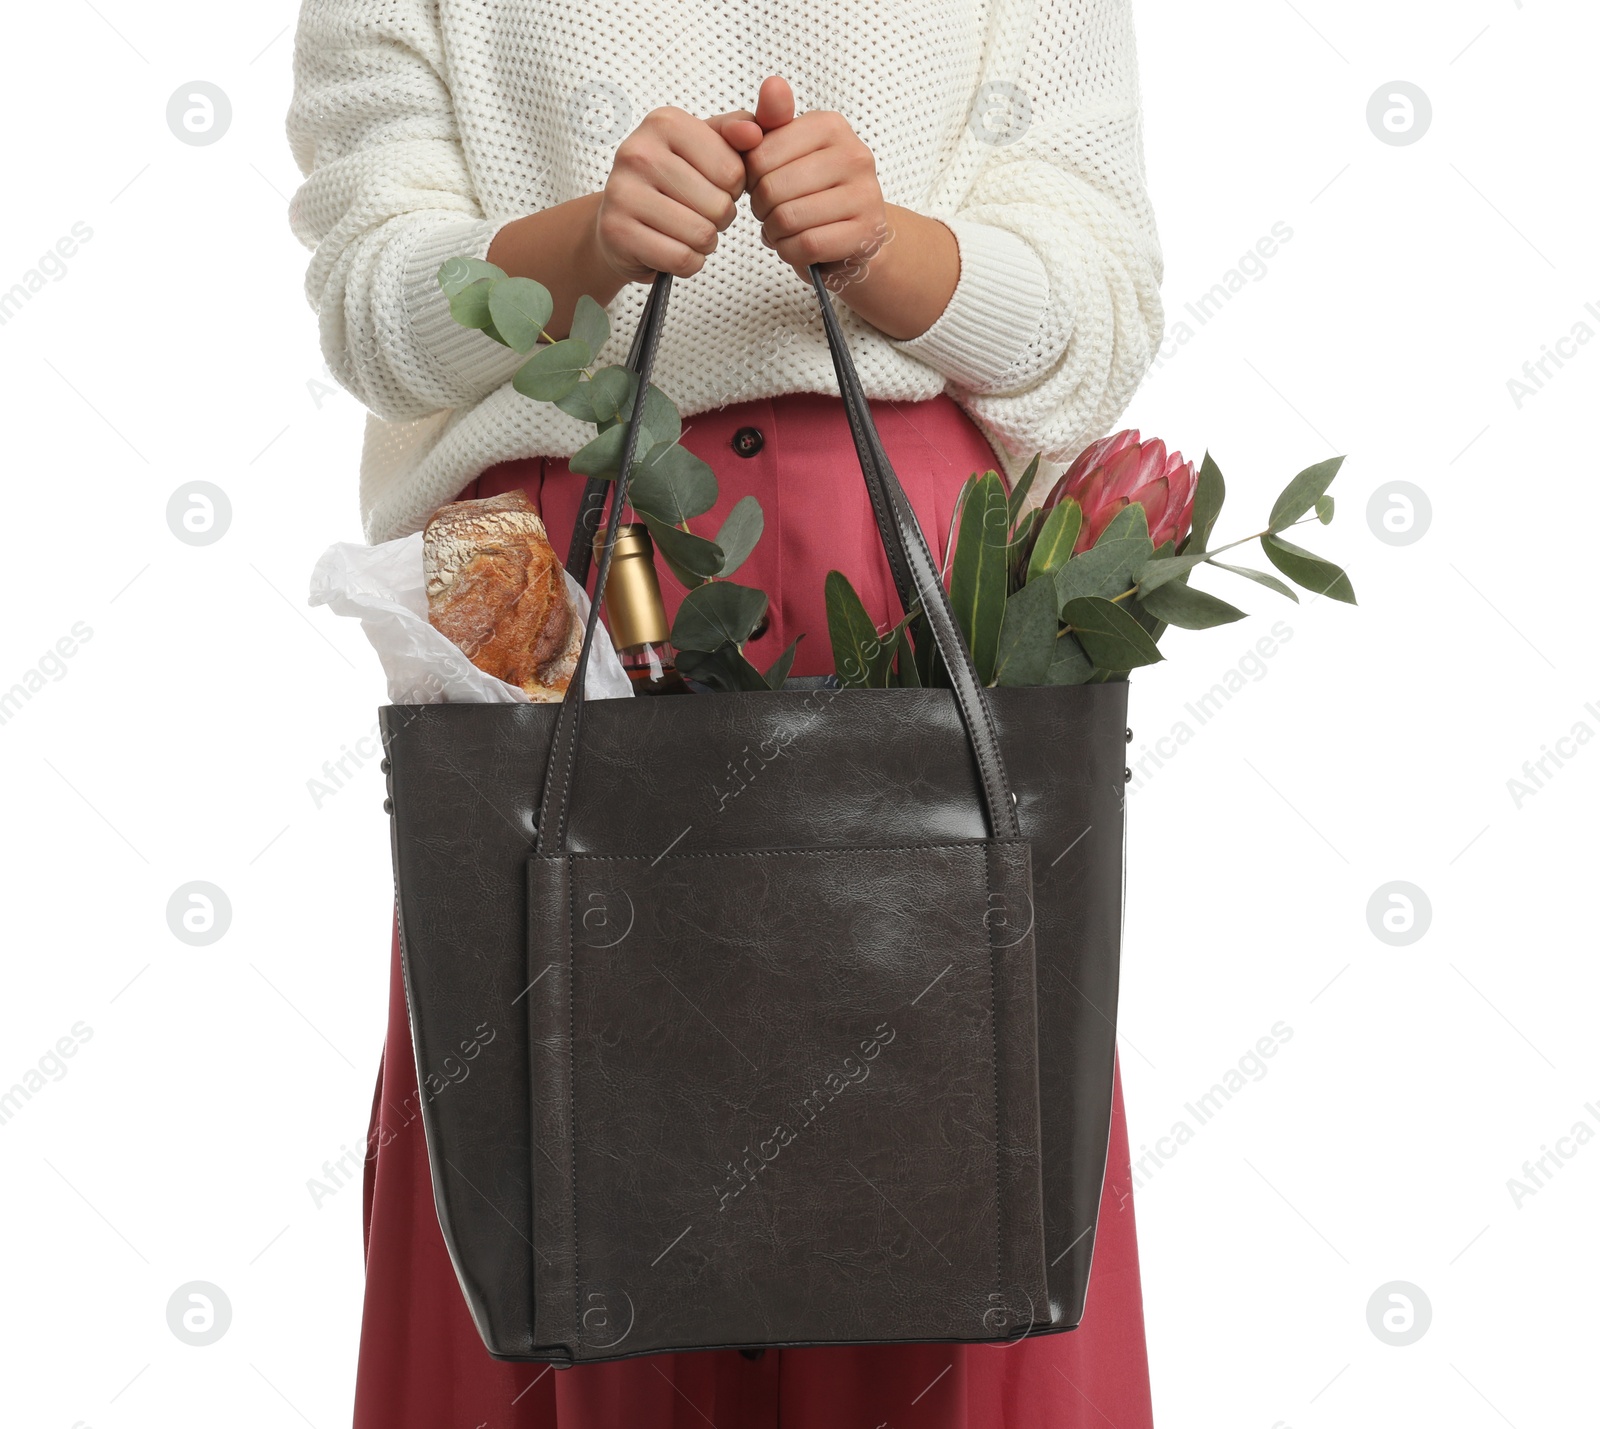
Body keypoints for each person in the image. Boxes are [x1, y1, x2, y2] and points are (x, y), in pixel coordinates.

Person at [287, 2, 1164, 1424]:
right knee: (557, 1187)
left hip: (900, 578)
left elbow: (1100, 308)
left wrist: (894, 249)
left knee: (942, 1177)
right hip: (536, 587)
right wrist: (576, 246)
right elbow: (370, 316)